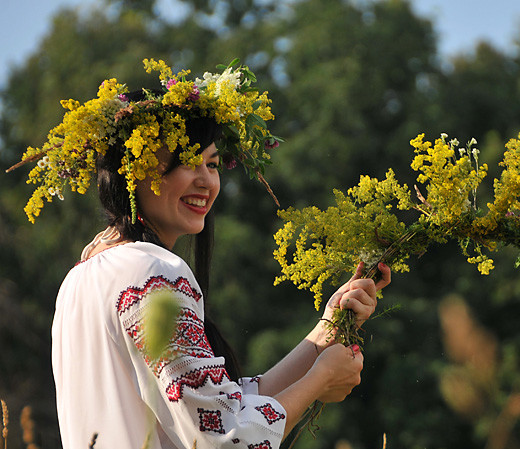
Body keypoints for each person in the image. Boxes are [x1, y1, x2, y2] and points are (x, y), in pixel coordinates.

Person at [16, 59, 391, 449]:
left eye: (211, 164)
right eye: (186, 163)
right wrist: (319, 381)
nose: (206, 180)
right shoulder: (152, 273)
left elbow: (219, 406)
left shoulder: (80, 278)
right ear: (135, 172)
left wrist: (327, 330)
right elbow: (226, 438)